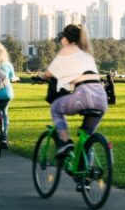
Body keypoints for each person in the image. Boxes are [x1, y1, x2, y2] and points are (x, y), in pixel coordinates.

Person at [42, 23, 108, 161]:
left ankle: (65, 142)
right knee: (86, 138)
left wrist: (41, 77)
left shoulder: (68, 49)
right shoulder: (87, 54)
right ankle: (85, 178)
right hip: (101, 97)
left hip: (84, 94)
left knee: (55, 108)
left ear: (65, 38)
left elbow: (49, 73)